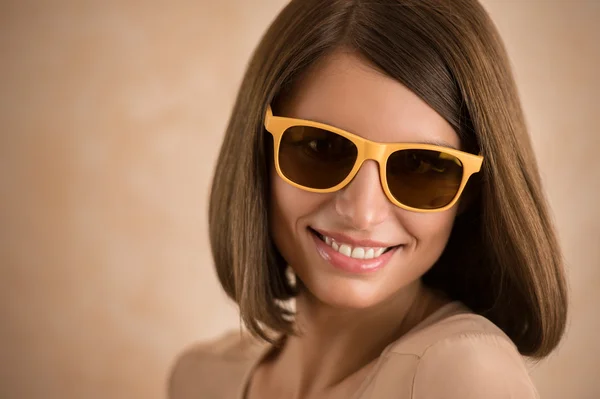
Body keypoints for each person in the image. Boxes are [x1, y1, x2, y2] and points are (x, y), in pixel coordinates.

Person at [169, 0, 568, 398]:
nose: (362, 212)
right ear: (258, 152)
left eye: (421, 166)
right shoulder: (199, 379)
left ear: (472, 192)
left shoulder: (466, 375)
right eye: (322, 147)